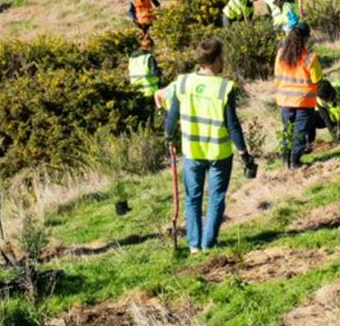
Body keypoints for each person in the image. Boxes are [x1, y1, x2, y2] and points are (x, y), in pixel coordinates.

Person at [165, 37, 253, 251]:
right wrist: (244, 153)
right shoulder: (224, 88)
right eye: (222, 57)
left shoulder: (183, 83)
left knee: (192, 198)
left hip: (193, 151)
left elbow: (172, 116)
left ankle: (194, 245)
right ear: (215, 59)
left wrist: (167, 138)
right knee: (216, 198)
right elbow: (232, 124)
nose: (224, 61)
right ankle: (208, 243)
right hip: (219, 153)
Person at [274, 24, 323, 169]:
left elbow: (277, 74)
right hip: (304, 101)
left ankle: (285, 160)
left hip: (284, 100)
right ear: (305, 38)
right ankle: (295, 162)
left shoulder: (281, 54)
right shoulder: (310, 58)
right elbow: (317, 79)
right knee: (300, 132)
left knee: (287, 130)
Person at [128, 37, 162, 103]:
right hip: (150, 91)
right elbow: (156, 74)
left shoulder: (132, 58)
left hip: (135, 91)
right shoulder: (149, 57)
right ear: (150, 47)